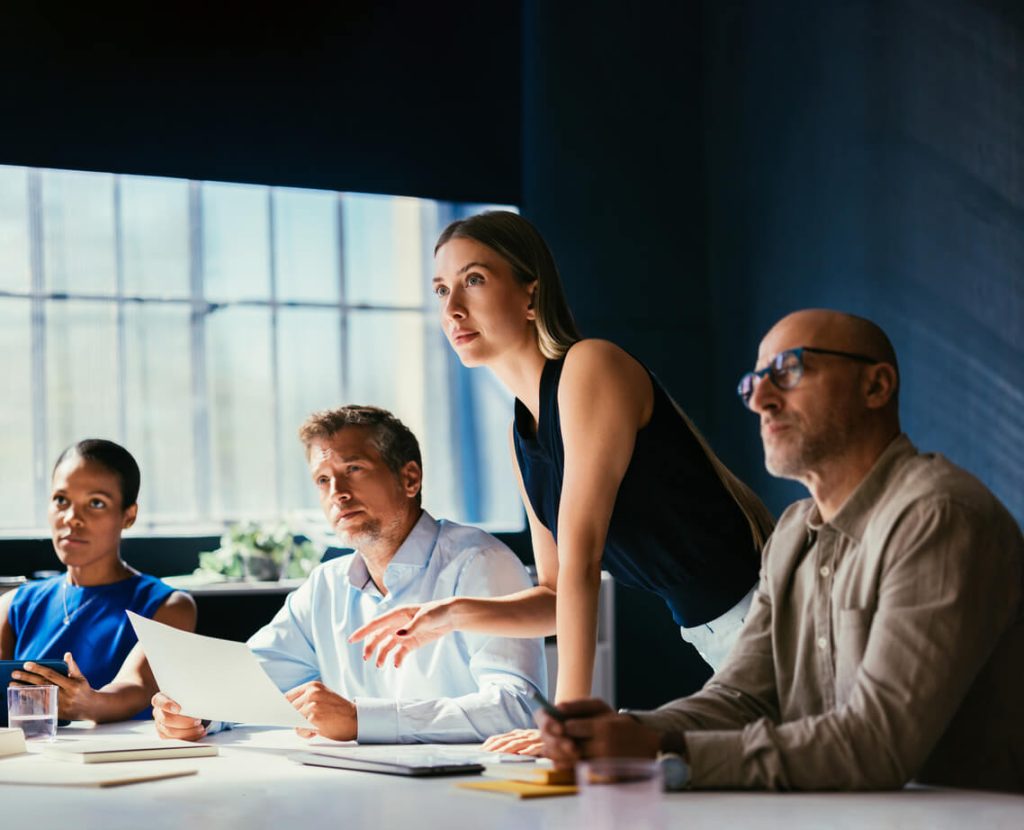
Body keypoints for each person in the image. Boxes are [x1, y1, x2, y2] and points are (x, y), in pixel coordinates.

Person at [539, 309, 1024, 792]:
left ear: (876, 387)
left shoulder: (937, 517)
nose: (761, 401)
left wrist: (670, 751)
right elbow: (742, 697)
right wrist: (634, 732)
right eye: (753, 383)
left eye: (789, 370)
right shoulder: (792, 534)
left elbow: (877, 743)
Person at [350, 211, 775, 754]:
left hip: (778, 617)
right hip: (719, 638)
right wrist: (452, 613)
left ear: (532, 294)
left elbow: (582, 565)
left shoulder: (590, 367)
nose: (452, 308)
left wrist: (566, 724)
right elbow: (554, 595)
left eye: (474, 280)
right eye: (441, 289)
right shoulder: (521, 430)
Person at [152, 405, 545, 743]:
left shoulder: (481, 563)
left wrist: (361, 720)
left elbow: (517, 708)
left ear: (410, 479)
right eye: (323, 480)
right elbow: (255, 679)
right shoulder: (326, 584)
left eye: (354, 468)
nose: (337, 492)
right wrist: (197, 710)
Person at [0, 439, 196, 722]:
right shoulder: (12, 606)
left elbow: (139, 686)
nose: (72, 518)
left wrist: (88, 703)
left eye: (96, 503)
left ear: (129, 515)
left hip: (126, 762)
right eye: (61, 500)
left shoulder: (169, 606)